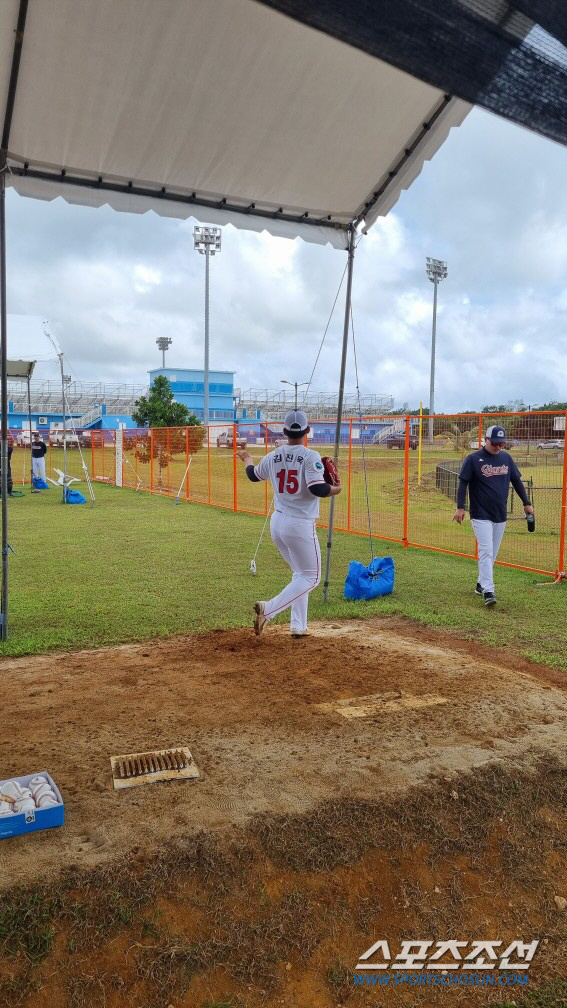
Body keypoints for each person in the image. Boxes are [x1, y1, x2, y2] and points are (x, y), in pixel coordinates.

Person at [238, 409, 341, 637]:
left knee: (300, 573)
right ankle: (269, 610)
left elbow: (253, 475)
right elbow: (318, 488)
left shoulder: (274, 455)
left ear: (284, 431)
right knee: (311, 577)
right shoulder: (310, 455)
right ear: (307, 431)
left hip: (278, 523)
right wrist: (337, 489)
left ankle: (298, 626)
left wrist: (247, 459)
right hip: (300, 525)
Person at [453, 425, 533, 606]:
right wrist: (460, 507)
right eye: (495, 443)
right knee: (486, 551)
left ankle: (481, 584)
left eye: (501, 443)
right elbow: (462, 484)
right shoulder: (473, 459)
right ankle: (489, 591)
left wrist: (527, 504)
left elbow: (517, 482)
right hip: (480, 514)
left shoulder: (506, 458)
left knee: (492, 554)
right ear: (485, 440)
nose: (498, 447)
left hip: (500, 513)